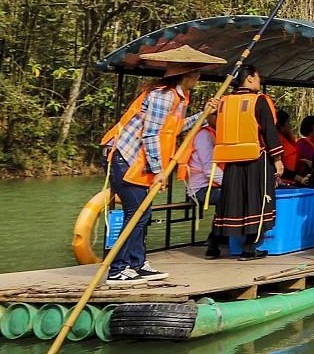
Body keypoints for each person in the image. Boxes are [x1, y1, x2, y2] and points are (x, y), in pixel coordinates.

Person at [101, 69, 202, 284]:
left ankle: (137, 264)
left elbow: (175, 129)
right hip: (125, 158)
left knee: (141, 214)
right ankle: (117, 270)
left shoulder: (178, 98)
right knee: (136, 214)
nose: (198, 79)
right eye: (197, 74)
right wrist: (158, 171)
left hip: (137, 162)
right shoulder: (164, 95)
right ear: (185, 76)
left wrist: (202, 116)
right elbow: (151, 134)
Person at [208, 64, 280, 260]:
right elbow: (269, 131)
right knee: (256, 202)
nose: (259, 81)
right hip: (255, 158)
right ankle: (249, 248)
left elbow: (215, 123)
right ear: (249, 78)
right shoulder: (259, 101)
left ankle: (213, 247)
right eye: (257, 78)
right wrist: (278, 159)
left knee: (231, 202)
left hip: (232, 161)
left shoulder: (223, 102)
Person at [274, 107, 301, 178]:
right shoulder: (275, 140)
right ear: (281, 125)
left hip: (292, 175)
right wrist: (296, 177)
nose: (290, 125)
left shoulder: (289, 138)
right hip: (284, 178)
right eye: (288, 122)